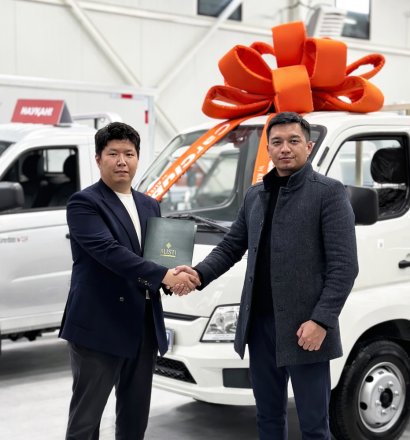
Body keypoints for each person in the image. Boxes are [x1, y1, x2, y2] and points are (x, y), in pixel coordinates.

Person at [172, 112, 359, 440]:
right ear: (268, 149)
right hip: (259, 326)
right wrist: (198, 274)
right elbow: (232, 246)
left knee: (314, 425)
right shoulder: (255, 195)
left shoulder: (328, 193)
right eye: (277, 142)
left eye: (293, 141)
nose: (285, 148)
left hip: (306, 328)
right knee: (268, 417)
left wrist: (322, 321)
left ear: (308, 147)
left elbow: (344, 266)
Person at [59, 122, 200, 440]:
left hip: (143, 324)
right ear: (99, 159)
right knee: (86, 420)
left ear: (137, 158)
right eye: (113, 154)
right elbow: (109, 252)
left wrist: (173, 279)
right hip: (98, 325)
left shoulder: (149, 204)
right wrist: (164, 275)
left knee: (135, 417)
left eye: (129, 153)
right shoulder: (84, 203)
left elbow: (157, 258)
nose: (122, 161)